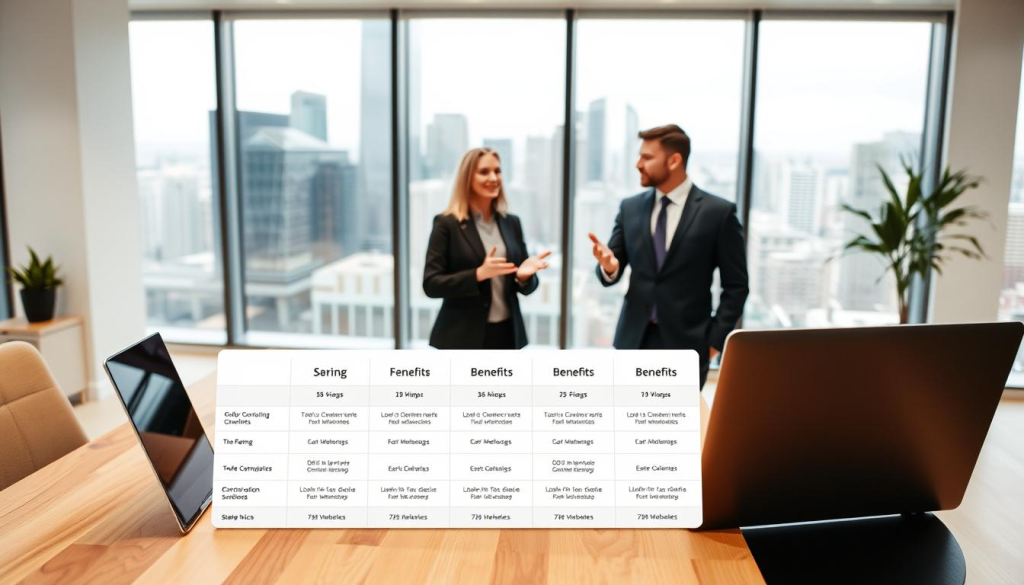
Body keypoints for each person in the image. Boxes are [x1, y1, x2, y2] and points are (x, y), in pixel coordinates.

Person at [588, 124, 748, 388]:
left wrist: (714, 342)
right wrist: (609, 267)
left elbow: (737, 286)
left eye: (647, 157)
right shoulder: (630, 208)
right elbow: (612, 265)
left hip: (688, 343)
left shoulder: (718, 213)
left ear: (674, 160)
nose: (638, 164)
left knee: (675, 426)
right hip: (633, 341)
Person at [424, 147, 551, 349]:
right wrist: (478, 274)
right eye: (484, 172)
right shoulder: (446, 224)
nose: (493, 177)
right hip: (461, 336)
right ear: (467, 178)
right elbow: (431, 284)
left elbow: (525, 287)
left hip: (507, 334)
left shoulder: (512, 223)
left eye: (497, 171)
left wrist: (525, 277)